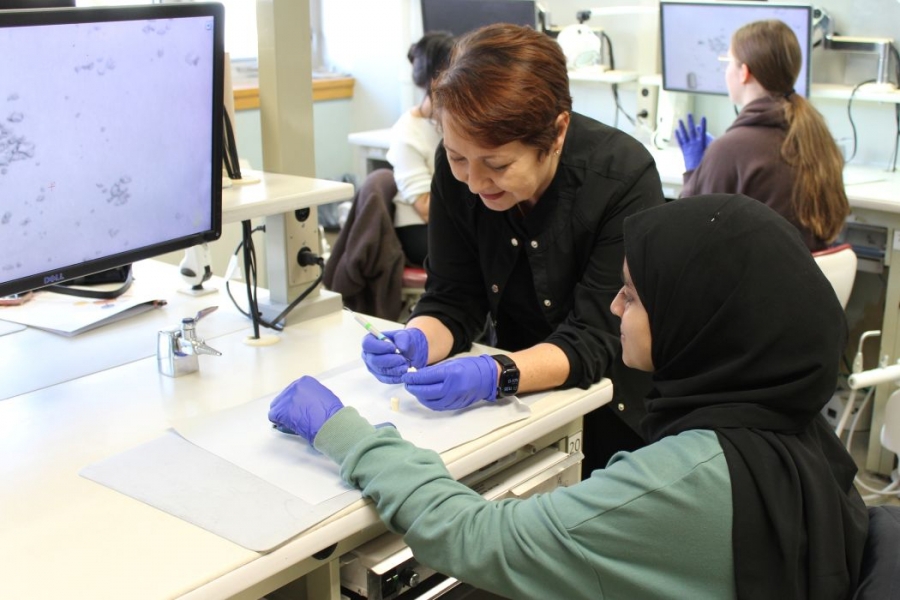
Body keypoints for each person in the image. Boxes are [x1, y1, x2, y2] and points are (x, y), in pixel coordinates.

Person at [269, 193, 868, 599]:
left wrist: (343, 432)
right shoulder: (790, 419)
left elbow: (481, 539)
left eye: (632, 296)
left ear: (698, 321)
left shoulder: (692, 479)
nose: (614, 308)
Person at [361, 23, 665, 473]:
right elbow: (452, 296)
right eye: (458, 157)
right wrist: (420, 336)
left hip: (612, 408)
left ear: (556, 133)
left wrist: (496, 374)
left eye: (498, 165)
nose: (474, 181)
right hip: (515, 402)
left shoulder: (621, 177)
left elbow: (597, 336)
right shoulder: (456, 170)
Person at [676, 19, 850, 252]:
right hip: (802, 281)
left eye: (728, 62)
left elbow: (690, 234)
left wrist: (694, 175)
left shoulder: (731, 149)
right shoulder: (817, 136)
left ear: (744, 72)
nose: (726, 70)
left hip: (755, 285)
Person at [386, 31, 455, 267]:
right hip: (420, 230)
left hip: (454, 222)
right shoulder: (408, 133)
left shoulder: (457, 122)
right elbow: (426, 209)